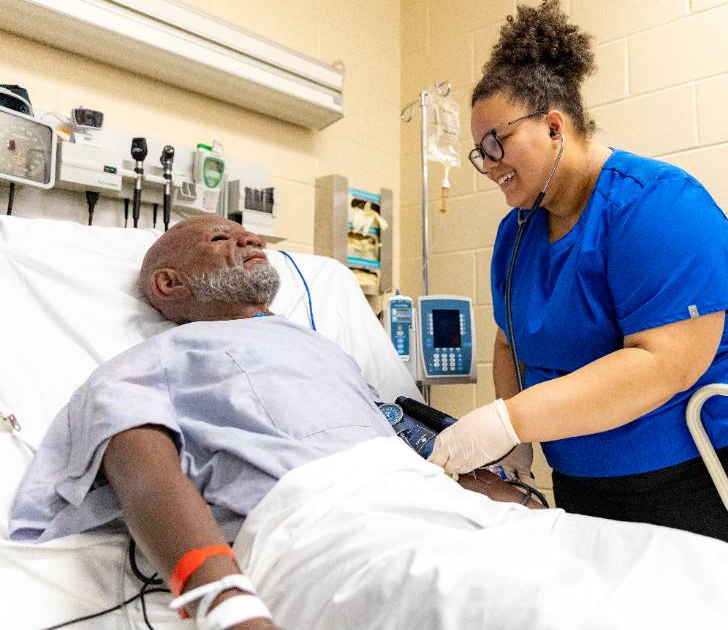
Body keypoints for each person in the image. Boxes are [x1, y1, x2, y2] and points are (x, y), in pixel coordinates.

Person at [8, 216, 535, 630]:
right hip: (328, 523)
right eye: (221, 238)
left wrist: (498, 494)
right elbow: (138, 462)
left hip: (436, 506)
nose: (248, 238)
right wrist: (227, 603)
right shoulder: (160, 357)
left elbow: (392, 426)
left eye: (246, 233)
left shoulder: (322, 349)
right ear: (169, 283)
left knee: (574, 565)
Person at [428, 0, 728, 551]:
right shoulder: (516, 235)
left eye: (495, 143)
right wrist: (515, 448)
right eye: (478, 152)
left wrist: (508, 420)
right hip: (585, 471)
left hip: (708, 461)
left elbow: (665, 363)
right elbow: (510, 344)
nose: (487, 164)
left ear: (553, 125)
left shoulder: (659, 206)